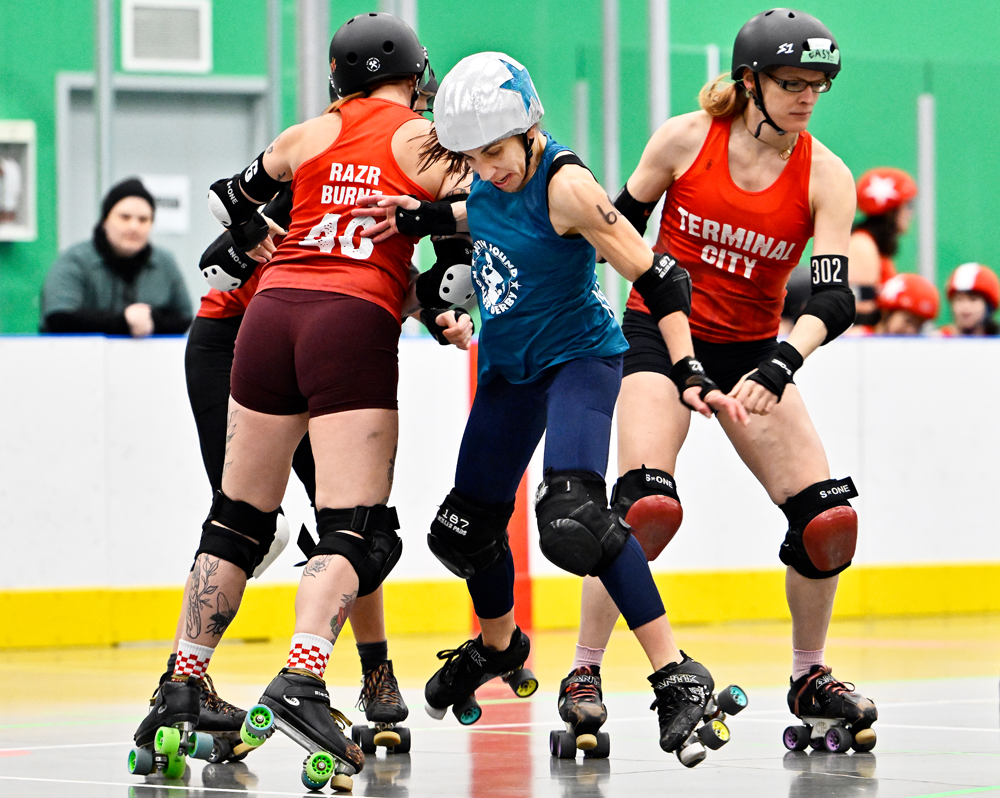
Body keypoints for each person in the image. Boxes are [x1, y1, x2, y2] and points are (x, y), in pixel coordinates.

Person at [354, 50, 746, 764]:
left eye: (497, 151)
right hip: (510, 370)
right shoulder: (488, 174)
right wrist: (425, 214)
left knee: (572, 517)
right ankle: (499, 648)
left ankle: (676, 674)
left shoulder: (568, 186)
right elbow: (485, 205)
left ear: (531, 128)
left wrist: (687, 366)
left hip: (580, 363)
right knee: (460, 533)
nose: (489, 167)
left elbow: (659, 275)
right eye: (472, 155)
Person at [128, 13, 471, 790]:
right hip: (348, 323)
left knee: (238, 519)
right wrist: (441, 268)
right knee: (356, 527)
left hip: (268, 316)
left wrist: (254, 230)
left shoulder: (307, 134)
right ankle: (305, 678)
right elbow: (490, 220)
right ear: (414, 77)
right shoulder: (424, 139)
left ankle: (182, 682)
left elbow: (228, 201)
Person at [559, 8, 879, 757]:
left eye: (816, 86)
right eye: (792, 84)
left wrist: (782, 363)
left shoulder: (825, 175)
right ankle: (585, 672)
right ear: (751, 80)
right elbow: (614, 231)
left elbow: (833, 298)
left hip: (751, 352)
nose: (806, 98)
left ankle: (809, 676)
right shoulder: (684, 138)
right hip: (657, 340)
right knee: (643, 507)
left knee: (828, 523)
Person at [40, 177, 192, 336]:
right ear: (105, 221)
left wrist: (152, 319)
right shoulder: (75, 260)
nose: (134, 227)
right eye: (124, 217)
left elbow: (185, 317)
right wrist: (122, 322)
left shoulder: (165, 262)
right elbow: (58, 318)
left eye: (143, 219)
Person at [848, 167, 917, 327]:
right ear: (891, 211)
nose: (911, 213)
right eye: (908, 206)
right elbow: (860, 313)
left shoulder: (873, 245)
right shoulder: (863, 245)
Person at [940, 263, 1000, 336]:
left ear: (988, 306)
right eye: (959, 299)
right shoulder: (939, 340)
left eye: (973, 299)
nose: (965, 306)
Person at [872, 272, 939, 335]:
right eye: (908, 321)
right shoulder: (862, 337)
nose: (912, 331)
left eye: (919, 326)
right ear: (887, 313)